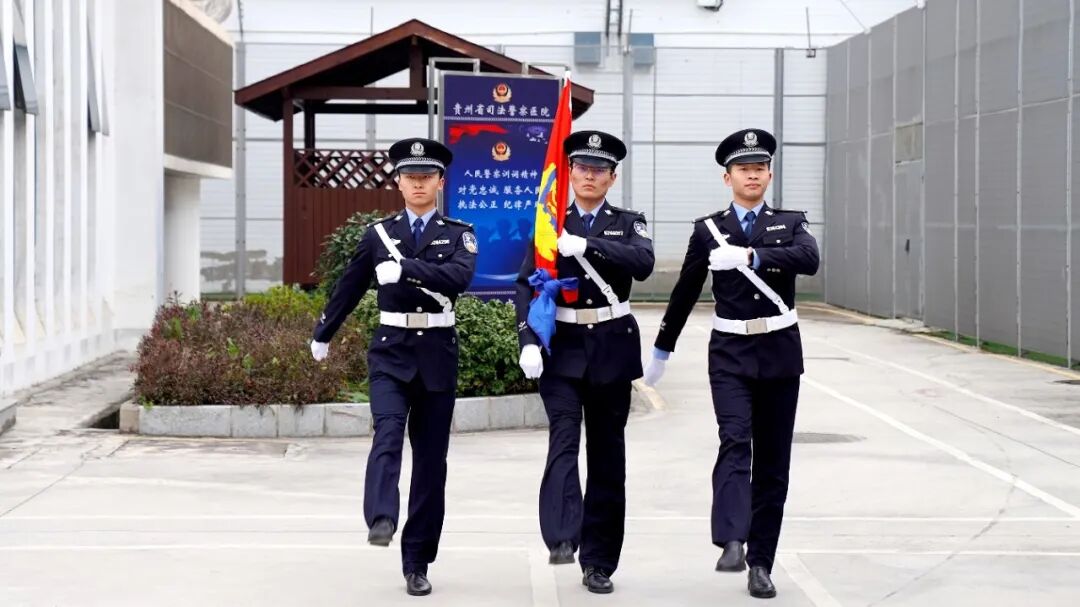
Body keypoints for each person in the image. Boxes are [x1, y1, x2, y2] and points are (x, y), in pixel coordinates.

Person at [642, 128, 819, 599]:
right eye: (743, 169)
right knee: (735, 440)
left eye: (759, 168)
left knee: (773, 463)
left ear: (770, 175)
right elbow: (685, 291)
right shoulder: (709, 230)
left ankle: (761, 563)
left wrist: (753, 255)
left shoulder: (790, 223)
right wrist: (662, 350)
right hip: (730, 353)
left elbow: (809, 259)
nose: (752, 175)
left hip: (780, 351)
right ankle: (732, 538)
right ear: (728, 178)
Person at [310, 137, 477, 597]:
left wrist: (406, 270)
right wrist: (323, 332)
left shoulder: (459, 233)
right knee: (386, 432)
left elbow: (460, 277)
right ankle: (382, 516)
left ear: (440, 182)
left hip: (437, 354)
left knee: (430, 465)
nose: (418, 183)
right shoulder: (378, 235)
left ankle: (417, 561)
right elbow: (348, 287)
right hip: (390, 351)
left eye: (426, 177)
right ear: (399, 183)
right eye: (410, 177)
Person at [515, 130, 655, 594]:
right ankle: (561, 535)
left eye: (599, 169)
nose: (589, 175)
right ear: (570, 173)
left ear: (612, 178)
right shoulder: (550, 220)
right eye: (581, 167)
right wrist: (528, 340)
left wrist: (589, 246)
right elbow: (525, 283)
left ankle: (599, 561)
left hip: (612, 349)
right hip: (563, 348)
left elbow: (643, 263)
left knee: (608, 457)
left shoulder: (628, 223)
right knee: (563, 440)